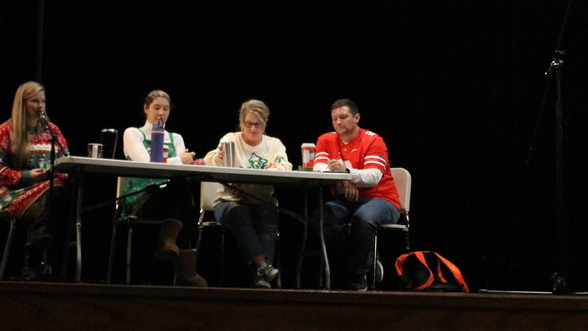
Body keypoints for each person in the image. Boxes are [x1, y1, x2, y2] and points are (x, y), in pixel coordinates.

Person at [311, 99, 400, 291]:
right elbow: (318, 168)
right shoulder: (326, 139)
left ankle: (358, 278)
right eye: (334, 118)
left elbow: (373, 177)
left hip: (382, 199)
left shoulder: (373, 140)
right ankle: (366, 256)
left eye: (343, 117)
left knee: (363, 218)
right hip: (347, 201)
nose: (338, 122)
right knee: (321, 217)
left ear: (356, 117)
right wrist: (344, 179)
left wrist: (346, 173)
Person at [121, 89, 206, 287]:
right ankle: (185, 269)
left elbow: (182, 170)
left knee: (179, 186)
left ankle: (169, 243)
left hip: (170, 196)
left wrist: (184, 163)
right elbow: (147, 165)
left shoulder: (175, 138)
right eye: (156, 107)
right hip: (143, 195)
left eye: (165, 109)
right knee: (179, 192)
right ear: (146, 108)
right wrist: (179, 160)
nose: (161, 112)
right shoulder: (133, 133)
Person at [0, 81, 69, 281]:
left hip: (45, 190)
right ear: (22, 103)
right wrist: (26, 176)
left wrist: (54, 174)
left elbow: (66, 162)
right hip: (10, 192)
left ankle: (37, 261)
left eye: (43, 101)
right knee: (52, 202)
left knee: (59, 193)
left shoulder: (52, 131)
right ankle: (35, 262)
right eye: (34, 101)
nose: (40, 106)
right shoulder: (6, 131)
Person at [203, 99, 290, 288]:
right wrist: (218, 158)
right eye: (249, 123)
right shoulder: (230, 139)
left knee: (266, 221)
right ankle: (264, 268)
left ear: (265, 124)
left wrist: (257, 181)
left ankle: (261, 278)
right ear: (241, 123)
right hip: (229, 201)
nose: (252, 128)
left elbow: (283, 167)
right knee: (240, 214)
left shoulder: (274, 144)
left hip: (261, 201)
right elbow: (210, 162)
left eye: (258, 124)